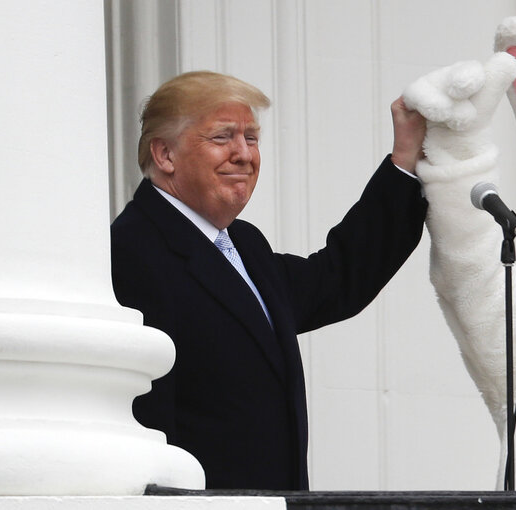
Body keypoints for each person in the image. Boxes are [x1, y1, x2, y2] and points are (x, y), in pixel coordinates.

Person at [110, 71, 428, 490]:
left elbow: (336, 279)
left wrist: (404, 158)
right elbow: (143, 419)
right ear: (165, 154)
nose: (244, 154)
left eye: (252, 138)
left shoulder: (243, 243)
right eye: (222, 137)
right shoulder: (133, 250)